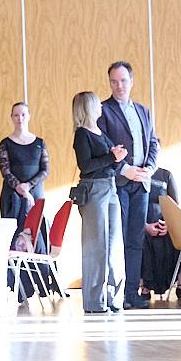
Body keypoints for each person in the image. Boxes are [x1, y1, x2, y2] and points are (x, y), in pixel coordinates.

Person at [97, 61, 159, 310]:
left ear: (132, 81)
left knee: (135, 240)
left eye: (123, 81)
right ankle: (117, 293)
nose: (119, 86)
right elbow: (103, 146)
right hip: (119, 183)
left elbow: (154, 142)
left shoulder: (143, 111)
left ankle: (132, 293)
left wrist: (149, 169)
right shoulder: (103, 111)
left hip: (142, 184)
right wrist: (125, 170)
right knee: (118, 240)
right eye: (114, 81)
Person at [72, 92, 127, 314]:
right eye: (96, 104)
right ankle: (95, 300)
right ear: (88, 108)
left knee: (114, 244)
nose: (100, 107)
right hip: (94, 189)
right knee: (96, 246)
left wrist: (115, 157)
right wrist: (111, 158)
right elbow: (86, 166)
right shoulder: (82, 135)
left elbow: (109, 163)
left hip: (110, 186)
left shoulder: (100, 133)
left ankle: (115, 297)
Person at [0, 101, 52, 299]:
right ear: (11, 118)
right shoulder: (5, 143)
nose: (20, 119)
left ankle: (42, 285)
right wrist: (20, 188)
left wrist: (29, 187)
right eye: (16, 115)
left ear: (28, 116)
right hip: (12, 198)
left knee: (35, 239)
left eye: (23, 115)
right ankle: (18, 289)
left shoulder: (40, 142)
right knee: (14, 240)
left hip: (35, 197)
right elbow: (5, 170)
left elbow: (45, 169)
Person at [141, 167, 181, 297]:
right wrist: (145, 226)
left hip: (164, 224)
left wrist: (168, 225)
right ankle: (145, 285)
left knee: (176, 240)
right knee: (142, 239)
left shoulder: (166, 175)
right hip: (141, 223)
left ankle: (180, 282)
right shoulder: (137, 174)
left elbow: (175, 205)